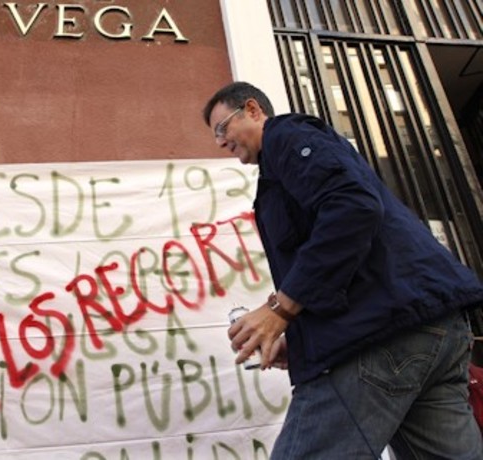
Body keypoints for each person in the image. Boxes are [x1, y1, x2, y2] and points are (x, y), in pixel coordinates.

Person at [204, 81, 483, 459]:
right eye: (215, 135)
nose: (220, 142)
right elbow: (343, 248)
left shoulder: (285, 135)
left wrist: (281, 310)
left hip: (380, 334)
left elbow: (353, 207)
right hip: (431, 327)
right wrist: (299, 339)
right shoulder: (284, 165)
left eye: (223, 128)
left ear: (253, 110)